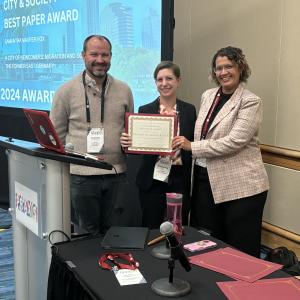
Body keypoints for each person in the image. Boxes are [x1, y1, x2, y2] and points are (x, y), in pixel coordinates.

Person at [173, 46, 269, 257]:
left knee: (239, 248)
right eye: (219, 68)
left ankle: (241, 289)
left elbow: (234, 141)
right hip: (205, 180)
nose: (223, 72)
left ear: (240, 68)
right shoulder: (208, 95)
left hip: (241, 187)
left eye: (229, 66)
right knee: (210, 242)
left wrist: (191, 146)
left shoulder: (250, 101)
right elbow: (204, 132)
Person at [50, 35, 134, 235]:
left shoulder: (124, 90)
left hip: (116, 173)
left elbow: (129, 128)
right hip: (81, 177)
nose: (100, 59)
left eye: (104, 54)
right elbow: (56, 137)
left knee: (115, 233)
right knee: (86, 234)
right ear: (83, 56)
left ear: (111, 57)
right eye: (94, 54)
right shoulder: (65, 91)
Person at [121, 61, 196, 229]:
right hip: (152, 178)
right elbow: (138, 145)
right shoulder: (144, 109)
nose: (164, 83)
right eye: (159, 79)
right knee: (151, 226)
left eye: (169, 78)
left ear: (178, 80)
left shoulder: (189, 110)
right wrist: (127, 142)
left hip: (179, 177)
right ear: (155, 83)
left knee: (178, 226)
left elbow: (194, 144)